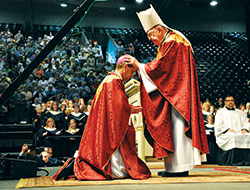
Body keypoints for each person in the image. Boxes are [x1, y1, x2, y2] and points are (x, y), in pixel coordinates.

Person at [126, 5, 209, 177]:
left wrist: (138, 65)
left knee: (177, 128)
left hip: (178, 95)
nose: (149, 39)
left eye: (150, 34)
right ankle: (175, 167)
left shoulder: (173, 41)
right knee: (173, 129)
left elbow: (161, 69)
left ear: (159, 29)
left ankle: (180, 168)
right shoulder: (169, 41)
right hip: (175, 92)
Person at [53, 55, 151, 181]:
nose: (132, 76)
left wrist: (126, 108)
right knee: (121, 167)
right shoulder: (114, 81)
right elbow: (118, 105)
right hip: (110, 124)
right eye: (132, 72)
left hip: (106, 121)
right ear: (125, 67)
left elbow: (114, 104)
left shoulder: (109, 80)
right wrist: (128, 109)